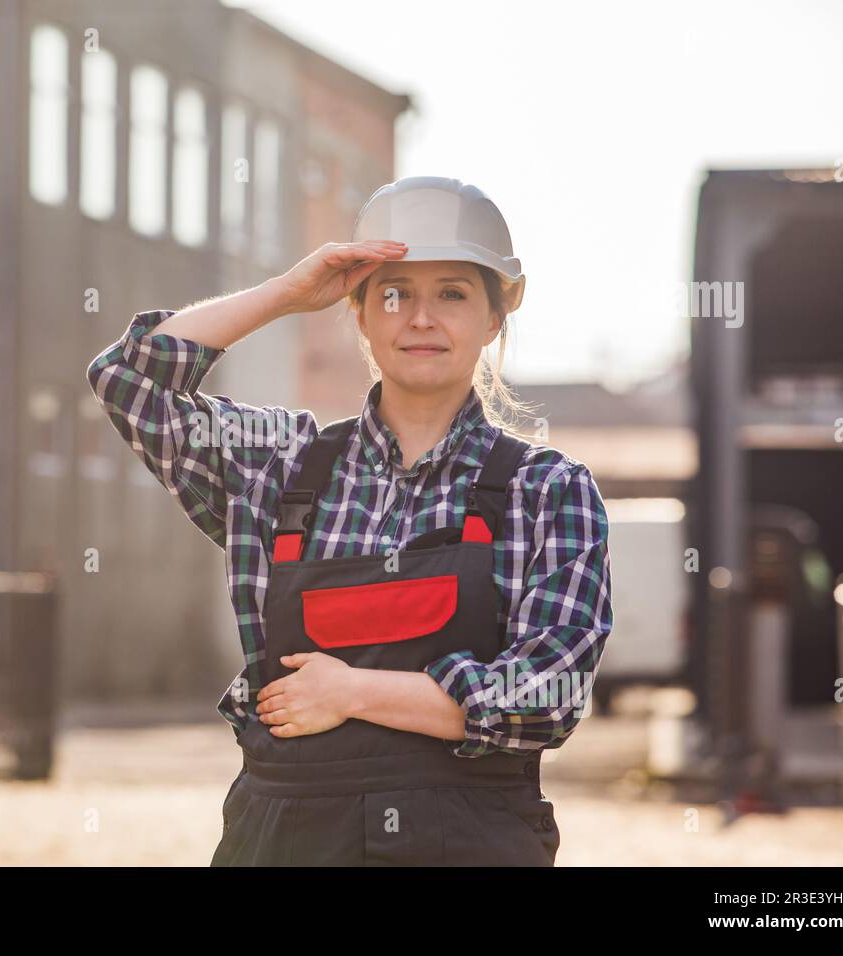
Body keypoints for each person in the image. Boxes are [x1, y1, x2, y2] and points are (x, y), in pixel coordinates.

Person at [86, 175, 612, 866]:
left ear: (494, 319)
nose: (421, 318)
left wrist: (353, 692)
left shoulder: (546, 491)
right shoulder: (275, 468)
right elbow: (131, 379)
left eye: (452, 293)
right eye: (394, 294)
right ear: (358, 311)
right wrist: (284, 295)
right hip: (282, 841)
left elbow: (548, 693)